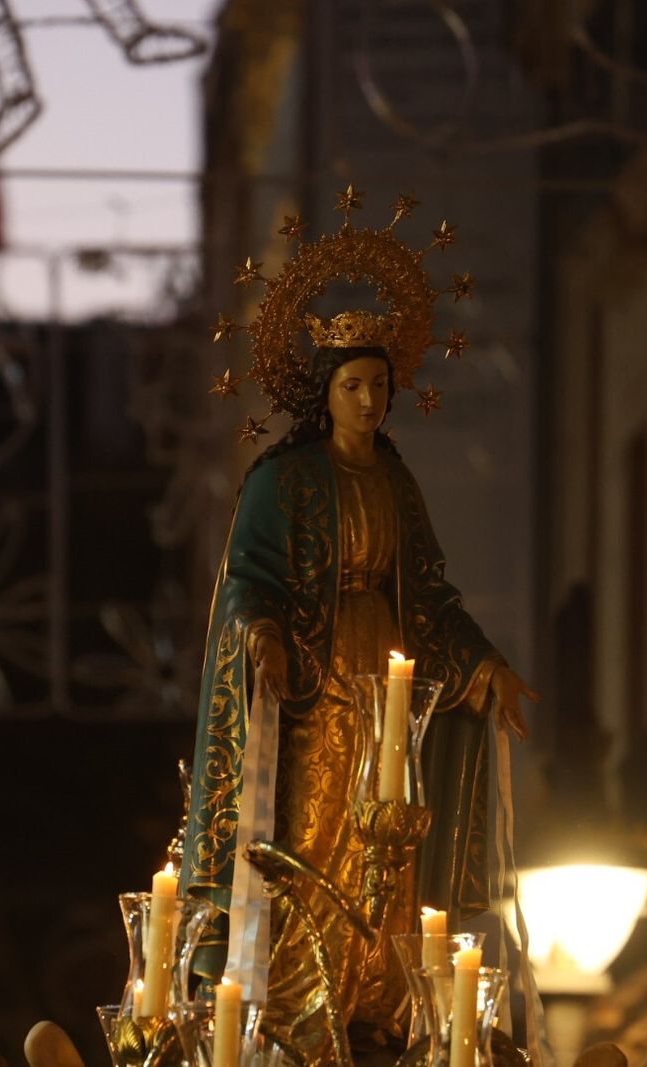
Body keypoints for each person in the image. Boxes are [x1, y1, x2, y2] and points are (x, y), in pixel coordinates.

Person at [183, 310, 538, 1063]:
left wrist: (484, 666)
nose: (369, 399)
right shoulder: (284, 478)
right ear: (327, 391)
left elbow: (433, 596)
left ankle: (378, 1004)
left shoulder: (398, 482)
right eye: (353, 385)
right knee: (315, 836)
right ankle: (302, 1009)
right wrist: (267, 635)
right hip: (315, 691)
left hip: (392, 683)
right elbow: (250, 578)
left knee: (393, 839)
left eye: (380, 384)